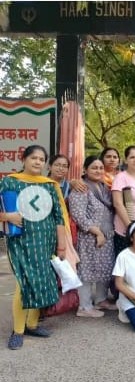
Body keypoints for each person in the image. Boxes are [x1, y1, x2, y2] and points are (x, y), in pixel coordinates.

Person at [1, 145, 68, 350]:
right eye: (33, 158)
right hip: (21, 241)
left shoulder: (49, 185)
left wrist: (62, 246)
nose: (38, 162)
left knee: (40, 282)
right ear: (24, 159)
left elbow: (58, 217)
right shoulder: (10, 181)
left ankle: (31, 325)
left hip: (46, 242)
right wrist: (7, 216)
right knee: (24, 283)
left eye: (41, 159)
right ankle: (18, 331)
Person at [68, 155, 116, 318]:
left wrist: (104, 234)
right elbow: (78, 215)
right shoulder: (81, 188)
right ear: (85, 170)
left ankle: (101, 299)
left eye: (101, 168)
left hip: (107, 235)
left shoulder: (104, 187)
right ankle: (84, 306)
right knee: (87, 271)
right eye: (94, 168)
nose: (98, 170)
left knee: (104, 268)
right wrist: (97, 232)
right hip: (89, 237)